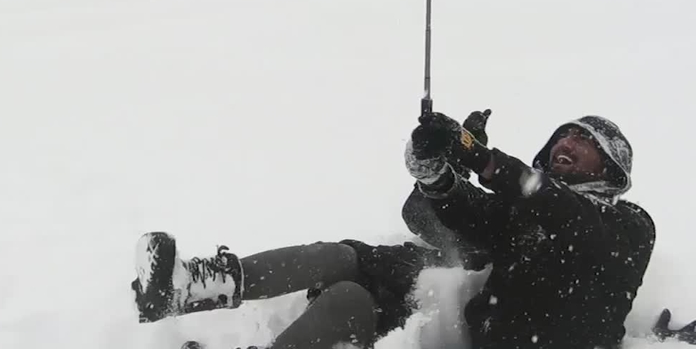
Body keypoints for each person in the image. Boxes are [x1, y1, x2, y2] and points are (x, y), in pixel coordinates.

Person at [131, 111, 656, 349]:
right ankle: (192, 287)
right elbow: (468, 212)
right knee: (347, 292)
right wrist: (436, 172)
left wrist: (493, 164)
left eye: (585, 141)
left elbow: (577, 225)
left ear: (609, 170)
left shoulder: (629, 226)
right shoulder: (528, 215)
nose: (568, 140)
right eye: (563, 133)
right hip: (474, 335)